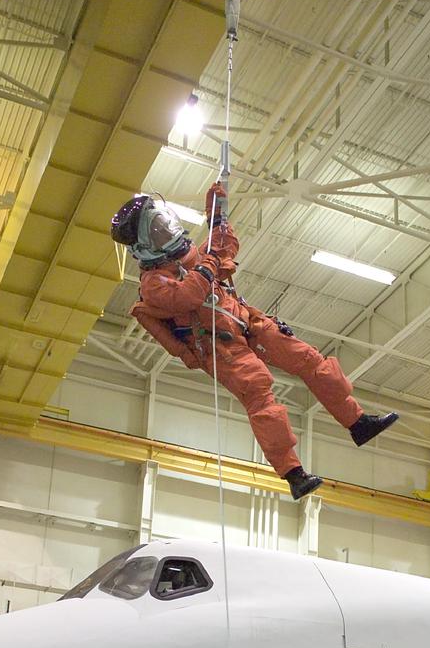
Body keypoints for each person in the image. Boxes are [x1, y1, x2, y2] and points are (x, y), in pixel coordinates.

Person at [111, 187, 399, 500]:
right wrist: (208, 266)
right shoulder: (153, 283)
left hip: (246, 322)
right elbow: (186, 297)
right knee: (261, 396)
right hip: (220, 348)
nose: (167, 230)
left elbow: (224, 247)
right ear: (142, 245)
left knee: (308, 359)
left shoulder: (188, 256)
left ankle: (358, 422)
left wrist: (217, 215)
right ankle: (293, 474)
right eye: (157, 229)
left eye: (164, 223)